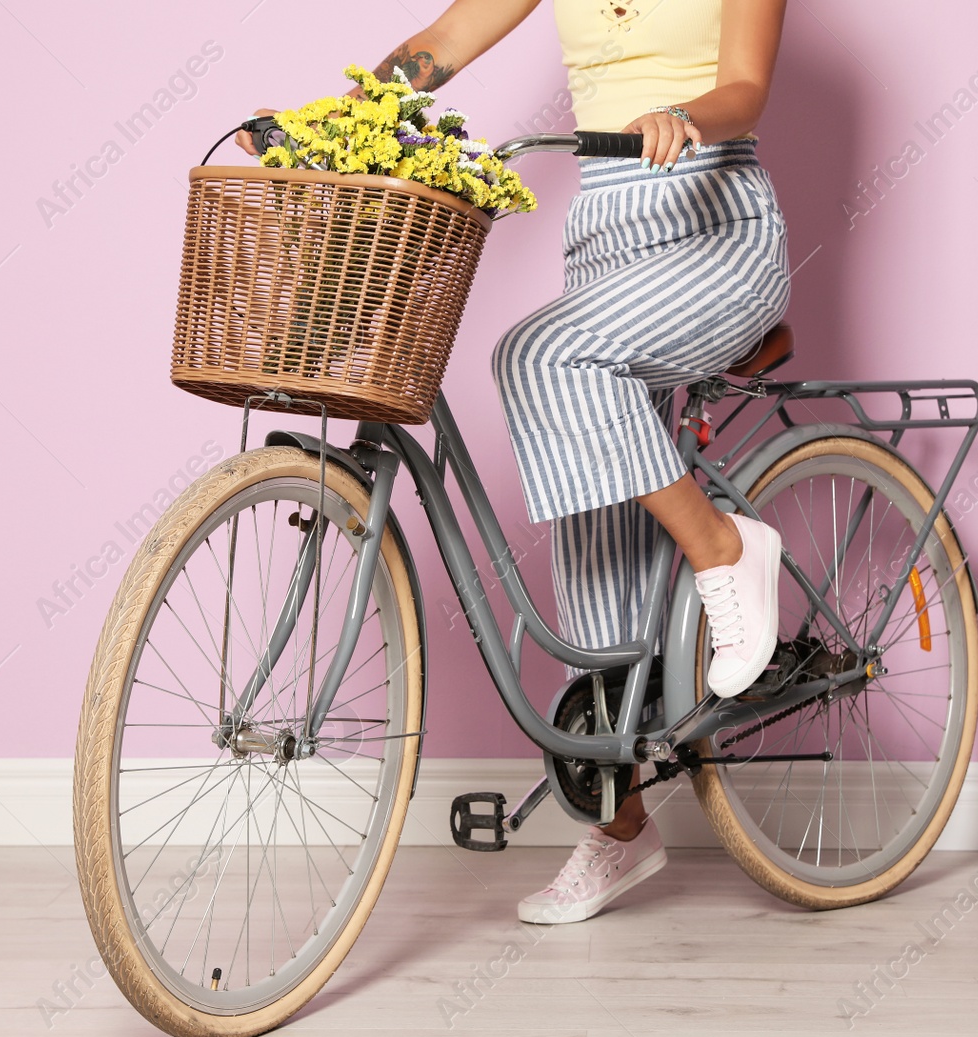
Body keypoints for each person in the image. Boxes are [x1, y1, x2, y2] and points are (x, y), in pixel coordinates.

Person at [244, 0, 791, 925]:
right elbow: (435, 50)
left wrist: (687, 119)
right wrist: (338, 128)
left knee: (536, 356)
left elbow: (746, 87)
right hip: (606, 241)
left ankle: (726, 551)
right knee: (596, 547)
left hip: (714, 225)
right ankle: (621, 829)